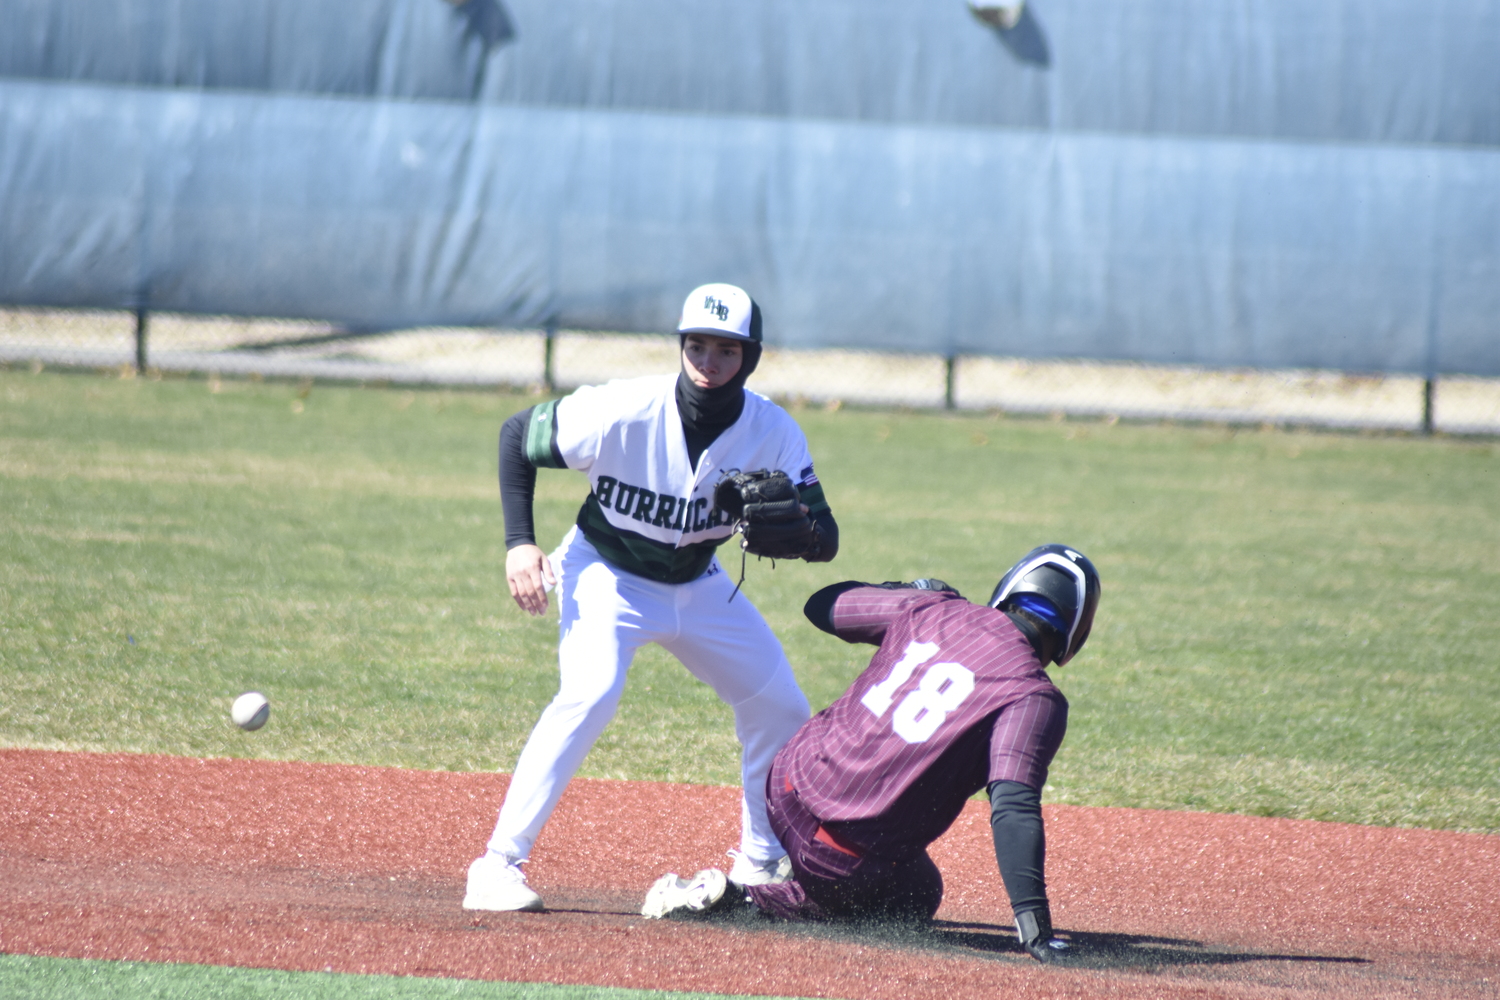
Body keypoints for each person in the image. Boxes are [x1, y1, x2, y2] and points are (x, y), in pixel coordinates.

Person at [463, 283, 840, 912]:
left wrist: (799, 532)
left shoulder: (773, 430)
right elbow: (515, 436)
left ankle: (756, 862)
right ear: (681, 346)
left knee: (779, 706)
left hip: (699, 583)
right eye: (697, 346)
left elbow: (826, 537)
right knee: (591, 691)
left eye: (726, 349)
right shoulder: (623, 409)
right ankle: (496, 864)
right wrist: (518, 544)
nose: (709, 361)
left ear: (751, 355)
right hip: (607, 574)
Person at [640, 544, 1100, 964]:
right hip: (840, 859)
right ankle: (746, 901)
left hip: (785, 785)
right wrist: (1035, 929)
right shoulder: (1033, 696)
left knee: (866, 847)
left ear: (1009, 588)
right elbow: (1014, 808)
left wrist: (904, 591)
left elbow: (823, 605)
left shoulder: (934, 609)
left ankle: (785, 863)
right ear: (1071, 637)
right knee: (918, 893)